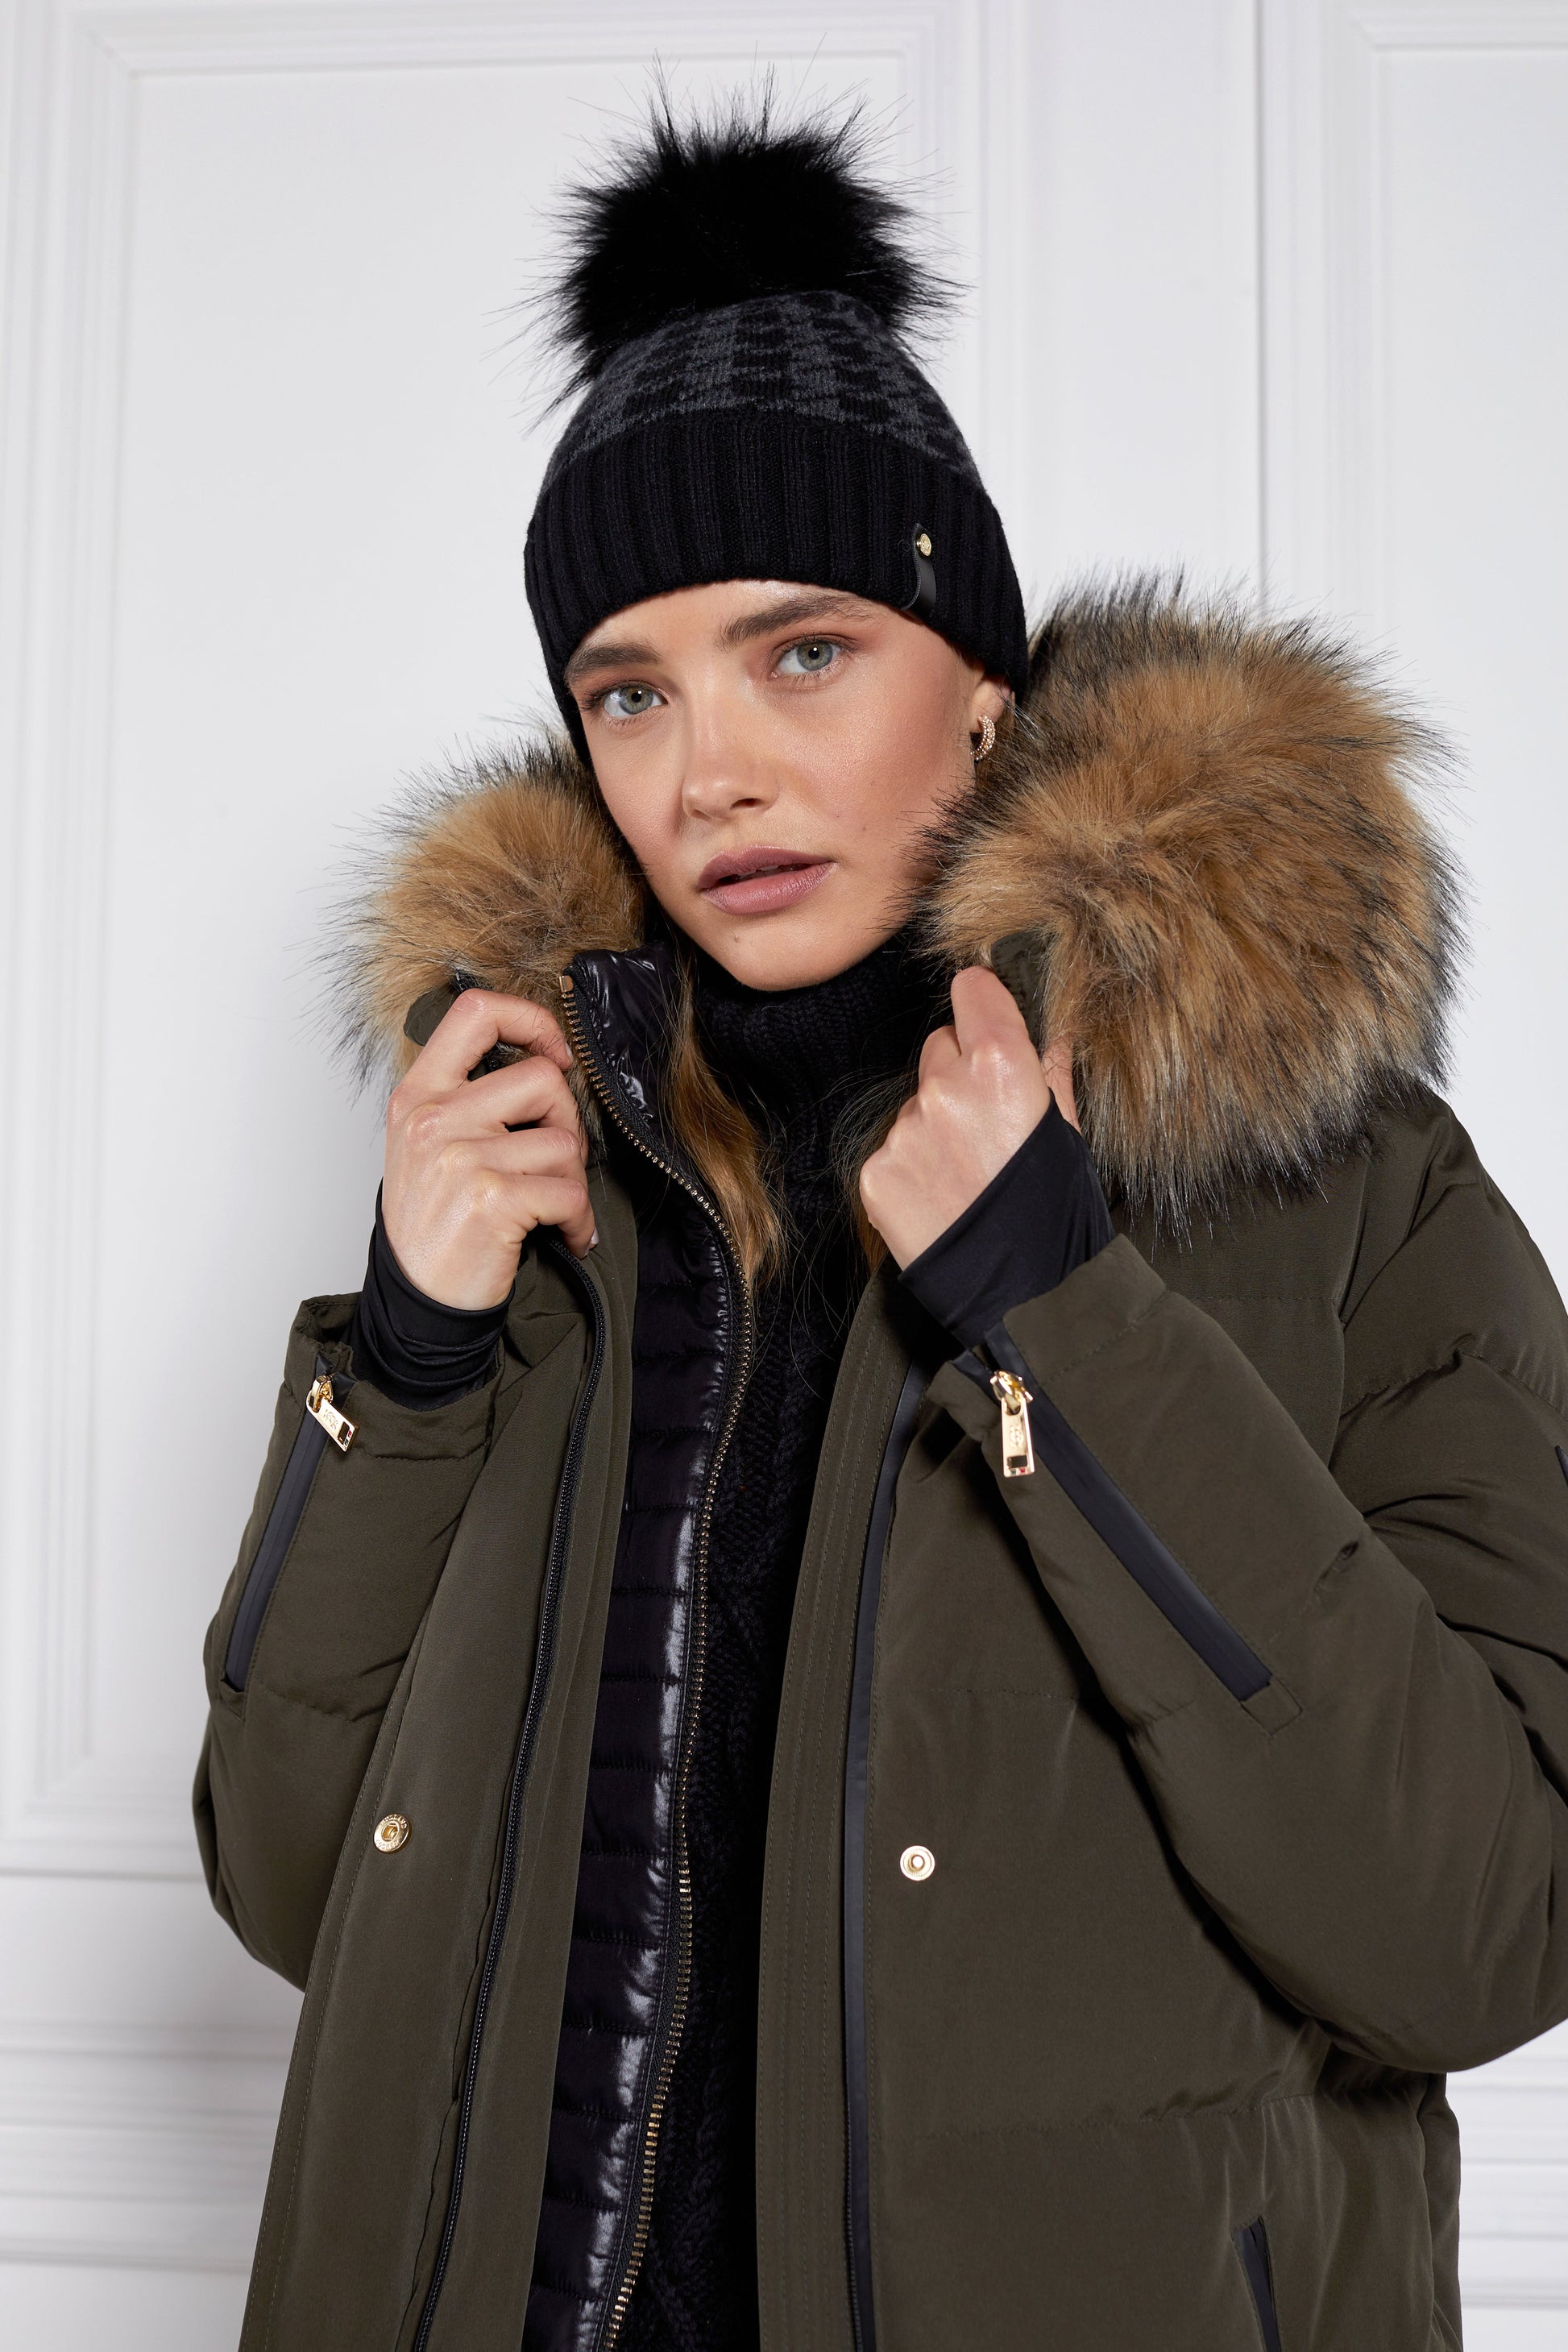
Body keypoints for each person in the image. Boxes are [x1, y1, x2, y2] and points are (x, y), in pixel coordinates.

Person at [196, 97, 1568, 2352]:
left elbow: (1481, 1936)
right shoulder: (540, 1186)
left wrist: (1061, 1309)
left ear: (984, 684)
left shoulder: (1329, 1179)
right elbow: (289, 1891)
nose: (707, 770)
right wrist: (413, 1361)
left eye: (803, 652)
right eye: (628, 691)